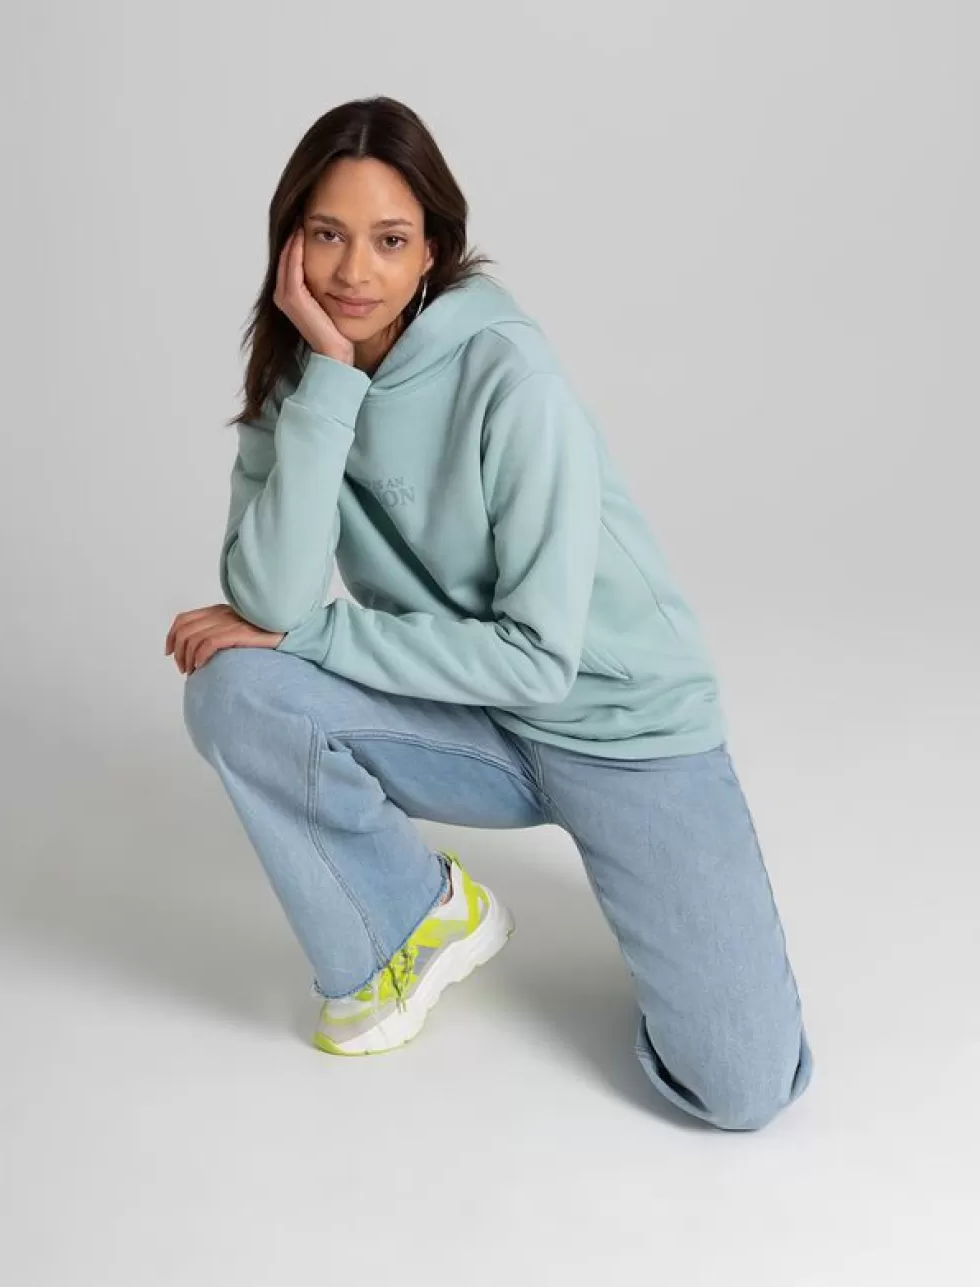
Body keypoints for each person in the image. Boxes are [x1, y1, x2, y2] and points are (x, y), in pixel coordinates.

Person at [167, 95, 814, 1131]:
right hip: (468, 720)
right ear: (289, 241)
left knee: (740, 1089)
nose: (352, 272)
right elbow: (269, 603)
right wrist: (328, 379)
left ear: (433, 251)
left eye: (389, 240)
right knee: (235, 688)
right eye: (327, 235)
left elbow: (537, 661)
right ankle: (412, 919)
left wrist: (316, 634)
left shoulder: (509, 373)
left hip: (623, 731)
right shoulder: (302, 382)